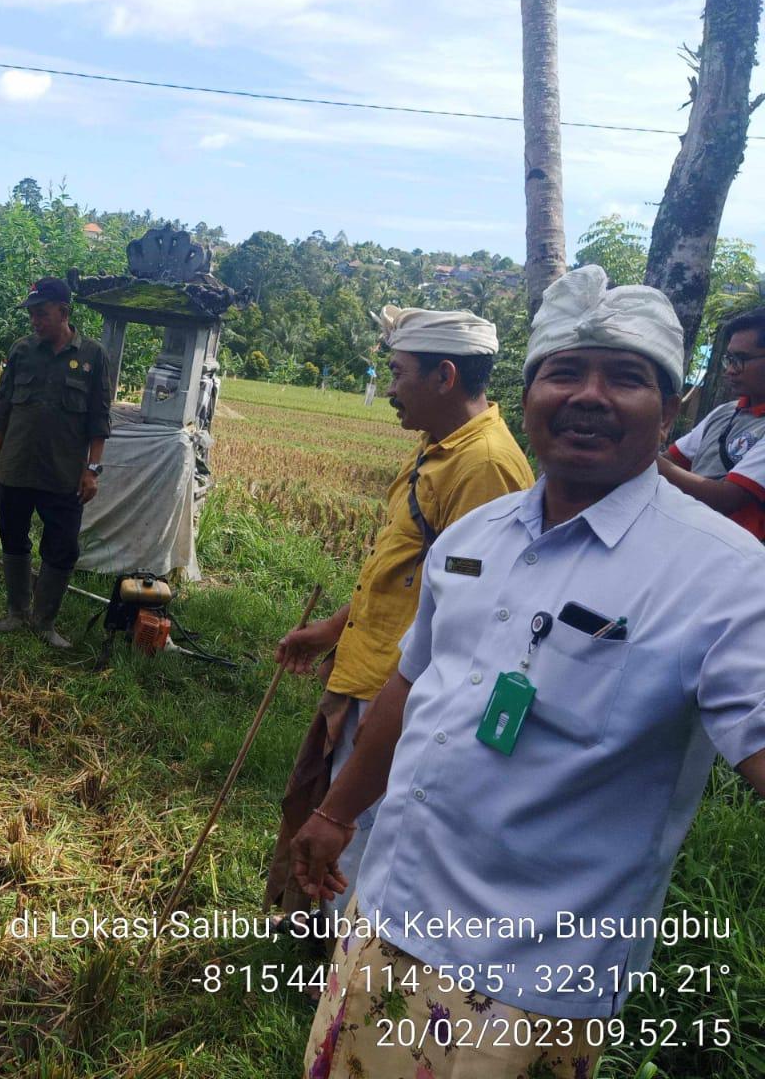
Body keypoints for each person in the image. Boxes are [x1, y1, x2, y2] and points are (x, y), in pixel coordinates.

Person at [291, 266, 765, 1078]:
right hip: (386, 912)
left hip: (522, 977)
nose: (589, 395)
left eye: (626, 378)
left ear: (672, 410)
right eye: (563, 371)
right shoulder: (477, 536)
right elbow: (412, 683)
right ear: (529, 391)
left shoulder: (723, 573)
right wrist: (337, 815)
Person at [266, 307, 532, 924]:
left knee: (367, 830)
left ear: (444, 376)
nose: (388, 388)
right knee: (339, 810)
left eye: (397, 372)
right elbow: (404, 569)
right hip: (369, 668)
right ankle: (324, 948)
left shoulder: (485, 467)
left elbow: (477, 612)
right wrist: (333, 628)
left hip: (403, 688)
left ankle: (348, 975)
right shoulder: (439, 449)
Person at [0, 276, 112, 648]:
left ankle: (45, 622)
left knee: (62, 547)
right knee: (13, 538)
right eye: (32, 315)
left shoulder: (92, 357)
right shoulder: (21, 351)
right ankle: (16, 612)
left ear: (63, 312)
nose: (35, 321)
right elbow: (2, 410)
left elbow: (98, 420)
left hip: (63, 474)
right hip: (16, 467)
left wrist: (92, 470)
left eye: (42, 314)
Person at [659, 307, 765, 540]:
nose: (730, 370)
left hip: (735, 557)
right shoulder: (725, 412)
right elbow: (672, 461)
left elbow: (726, 499)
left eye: (741, 359)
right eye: (729, 359)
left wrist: (643, 456)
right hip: (684, 536)